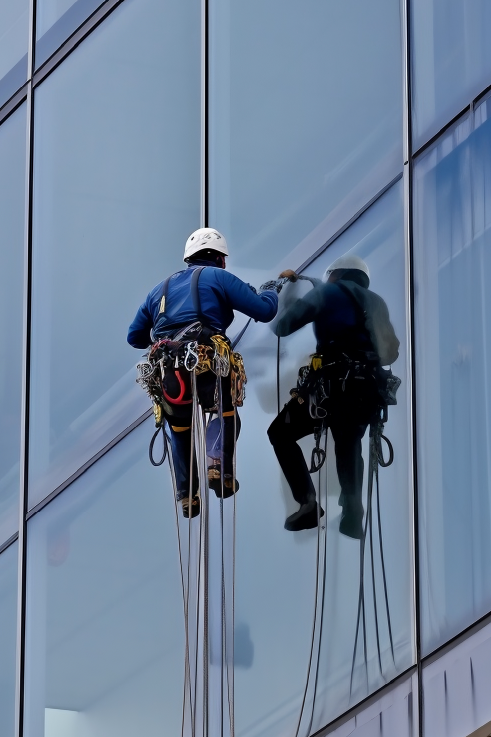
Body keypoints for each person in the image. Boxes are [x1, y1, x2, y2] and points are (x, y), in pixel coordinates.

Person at [128, 227, 282, 517]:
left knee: (179, 427)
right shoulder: (218, 277)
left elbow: (134, 336)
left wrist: (166, 339)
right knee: (225, 411)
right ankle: (217, 465)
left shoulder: (158, 290)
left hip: (170, 373)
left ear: (189, 258)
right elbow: (264, 311)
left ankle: (187, 494)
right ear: (220, 259)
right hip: (207, 361)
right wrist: (271, 291)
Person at [268, 255, 399, 538]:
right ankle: (353, 510)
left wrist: (290, 297)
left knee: (280, 432)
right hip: (368, 390)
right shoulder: (377, 302)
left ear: (336, 274)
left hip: (333, 385)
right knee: (349, 441)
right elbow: (390, 352)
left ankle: (308, 502)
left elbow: (283, 326)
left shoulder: (328, 292)